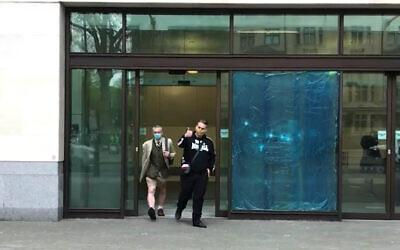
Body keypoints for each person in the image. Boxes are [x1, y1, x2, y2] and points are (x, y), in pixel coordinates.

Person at [175, 120, 215, 228]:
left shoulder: (209, 142)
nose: (200, 130)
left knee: (199, 197)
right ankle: (180, 208)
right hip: (188, 173)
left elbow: (212, 157)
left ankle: (196, 220)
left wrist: (209, 169)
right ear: (195, 127)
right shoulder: (188, 137)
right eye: (198, 127)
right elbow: (179, 144)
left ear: (205, 130)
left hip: (202, 174)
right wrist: (184, 136)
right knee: (185, 194)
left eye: (202, 128)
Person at [140, 125, 175, 221]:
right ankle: (151, 208)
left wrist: (169, 155)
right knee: (151, 189)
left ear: (162, 132)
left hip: (162, 171)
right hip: (151, 171)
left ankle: (160, 207)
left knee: (162, 190)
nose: (157, 134)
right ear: (153, 133)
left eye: (159, 132)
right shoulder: (147, 144)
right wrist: (143, 170)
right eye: (155, 132)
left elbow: (173, 154)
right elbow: (144, 159)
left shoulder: (168, 142)